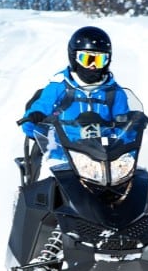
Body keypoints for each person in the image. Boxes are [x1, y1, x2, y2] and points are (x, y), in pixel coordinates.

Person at [17, 26, 130, 174]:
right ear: (74, 57)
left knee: (137, 182)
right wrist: (35, 117)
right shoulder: (59, 87)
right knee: (48, 179)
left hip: (104, 158)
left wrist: (132, 131)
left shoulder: (114, 93)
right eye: (87, 59)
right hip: (60, 155)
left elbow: (126, 128)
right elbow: (41, 107)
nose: (93, 66)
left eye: (100, 60)